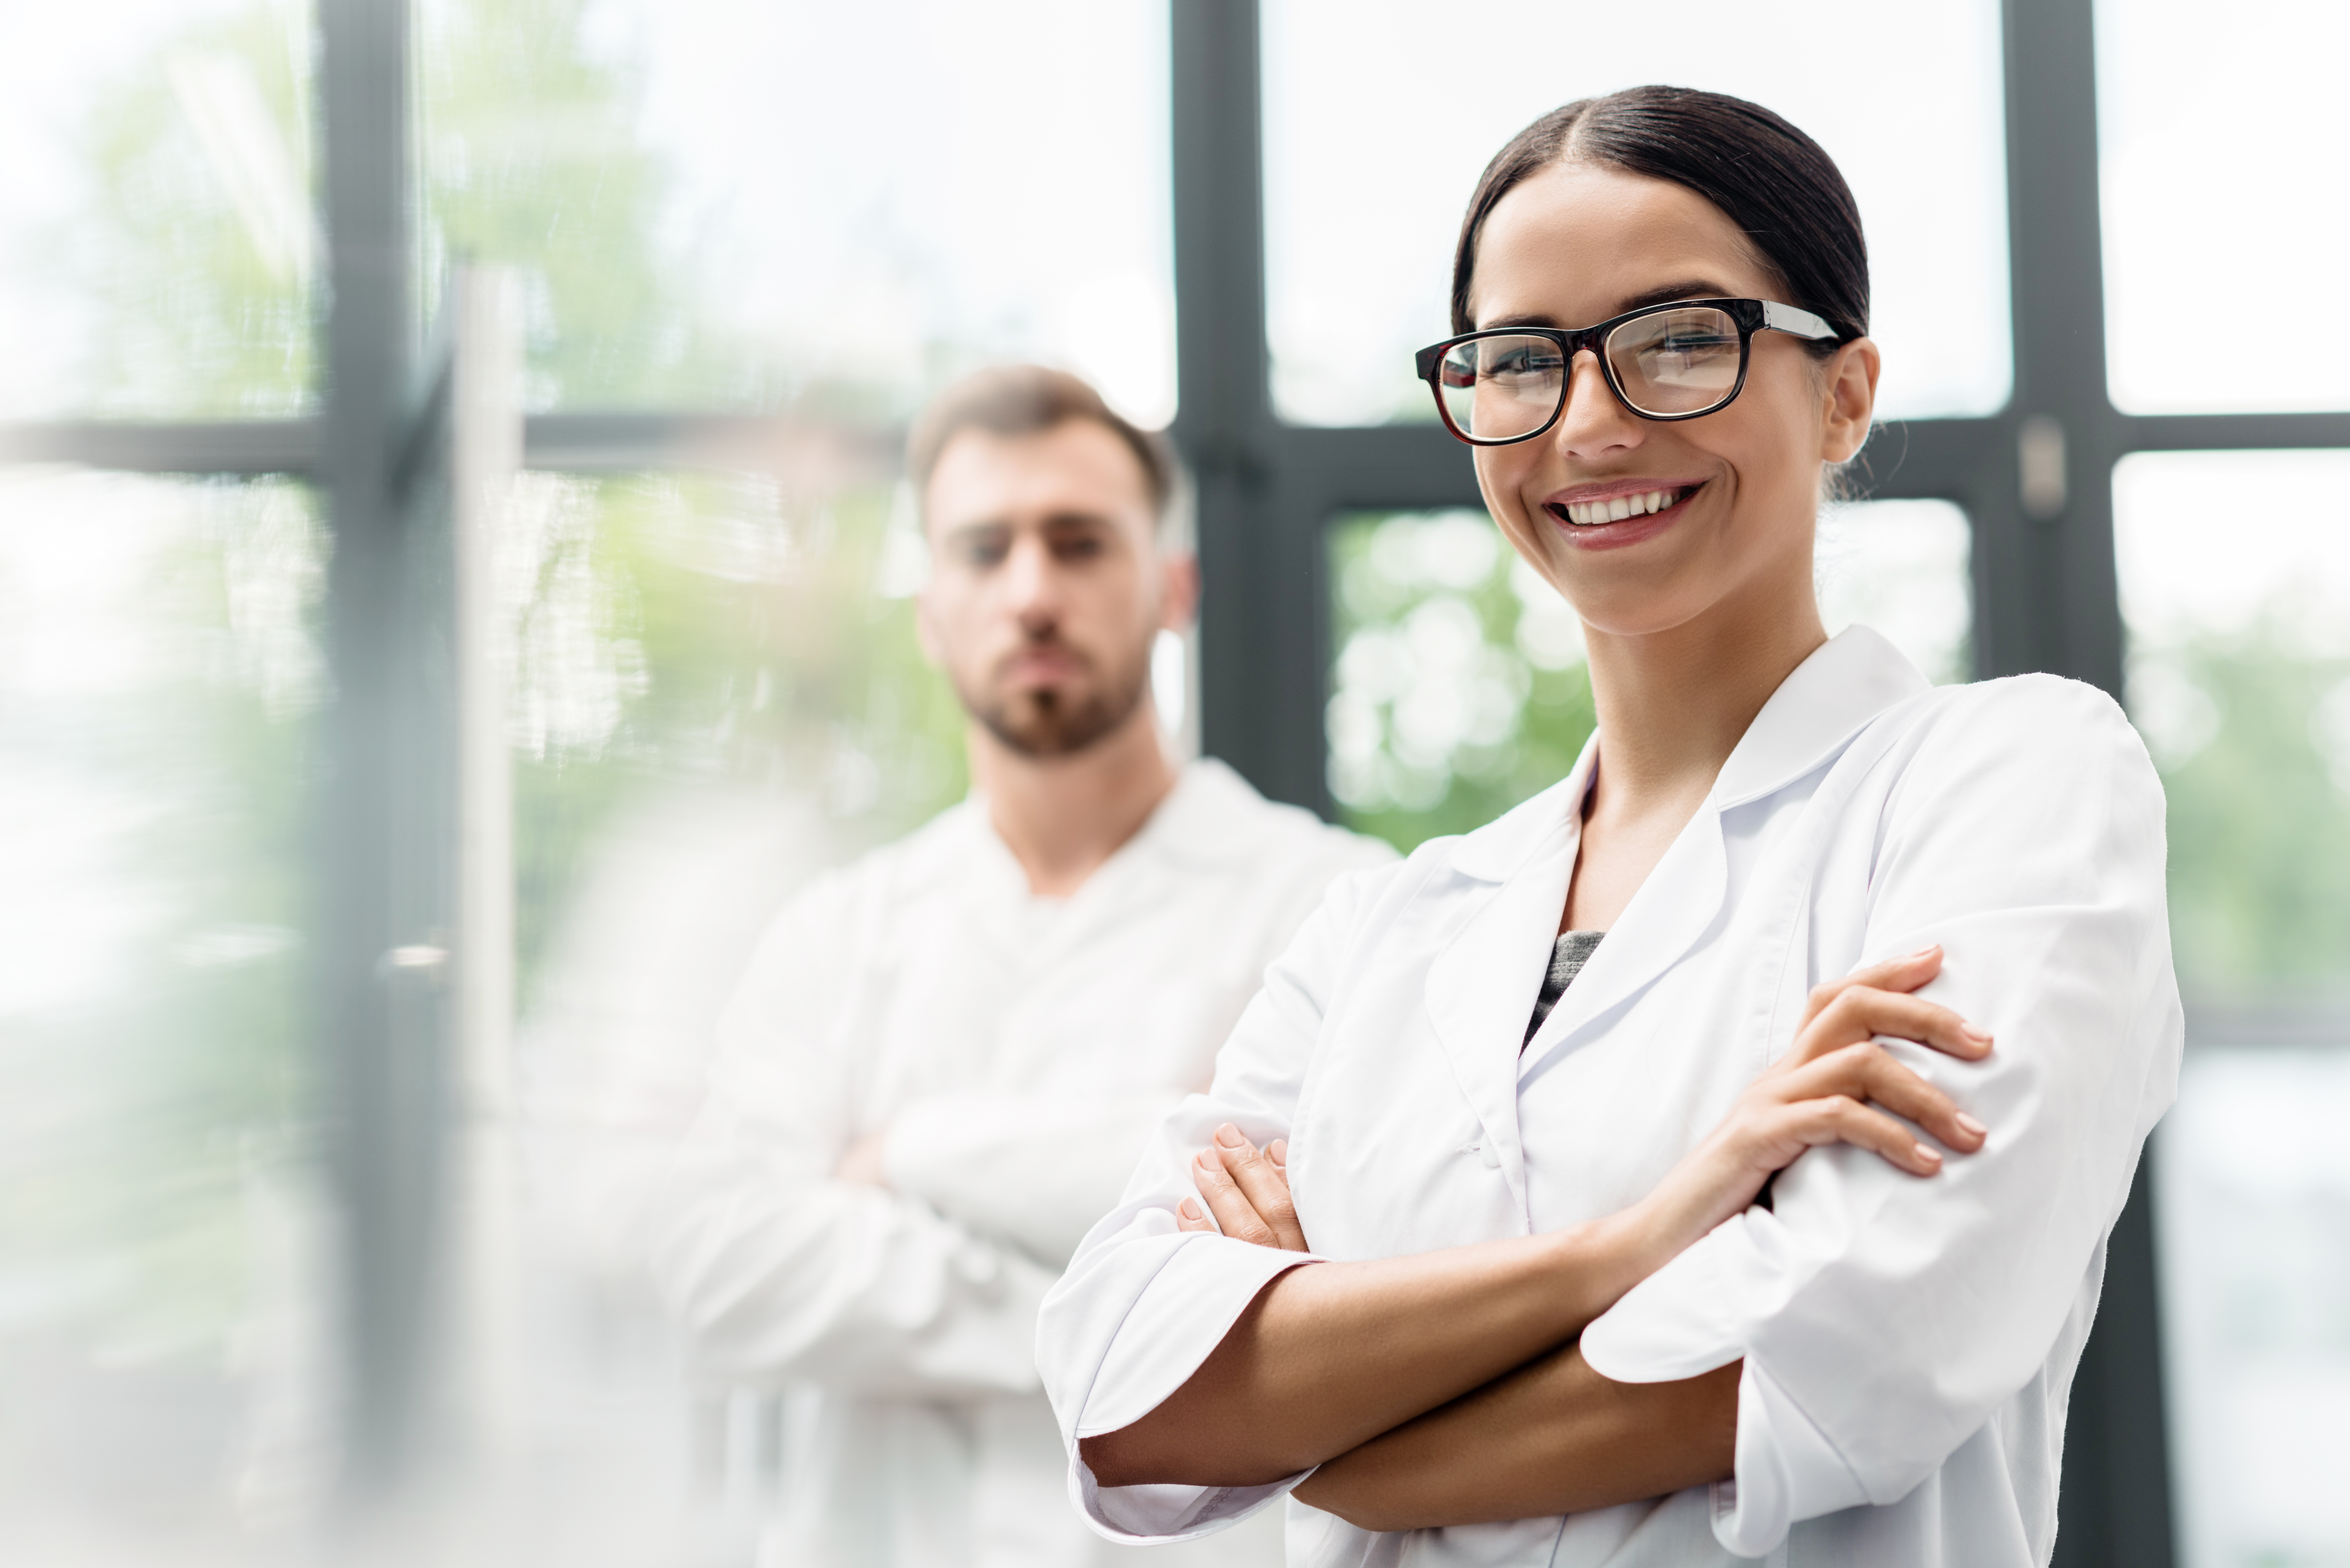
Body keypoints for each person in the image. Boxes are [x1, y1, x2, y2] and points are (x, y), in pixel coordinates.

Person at [1039, 87, 2180, 1567]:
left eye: (1678, 342)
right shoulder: (1386, 926)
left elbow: (1864, 1347)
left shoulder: (2009, 785)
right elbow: (1127, 1393)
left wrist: (1344, 1429)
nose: (1588, 423)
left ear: (1843, 391)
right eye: (1518, 362)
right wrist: (1636, 1244)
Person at [651, 365, 1394, 1568]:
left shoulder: (1332, 905)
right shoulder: (837, 934)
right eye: (985, 549)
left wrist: (911, 1157)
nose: (1033, 591)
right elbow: (718, 1265)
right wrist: (1141, 1314)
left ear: (1172, 590)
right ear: (931, 611)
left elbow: (1362, 1255)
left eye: (1080, 543)